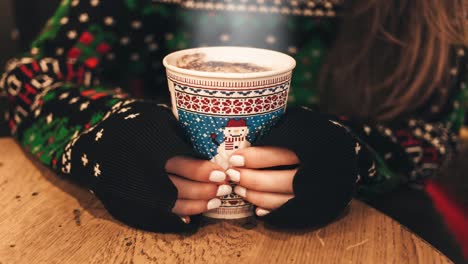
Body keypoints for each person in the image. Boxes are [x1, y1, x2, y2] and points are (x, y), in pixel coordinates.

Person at [0, 0, 466, 249]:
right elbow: (25, 81)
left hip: (370, 226)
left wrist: (352, 153)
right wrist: (105, 136)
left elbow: (433, 134)